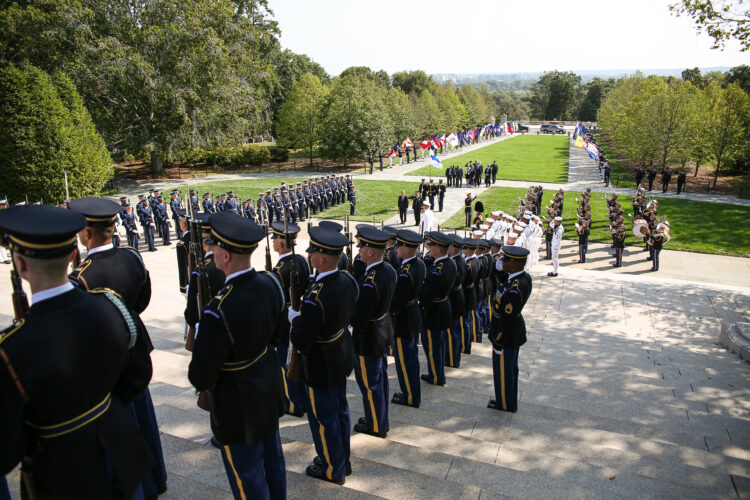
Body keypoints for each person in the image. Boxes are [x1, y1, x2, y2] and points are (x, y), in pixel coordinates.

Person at [0, 205, 153, 499]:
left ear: (20, 265)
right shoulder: (110, 306)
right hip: (120, 453)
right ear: (73, 255)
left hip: (61, 473)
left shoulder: (11, 349)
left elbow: (7, 449)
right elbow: (138, 374)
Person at [68, 197, 168, 498]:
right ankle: (157, 478)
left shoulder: (82, 277)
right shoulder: (132, 256)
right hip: (135, 348)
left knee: (124, 428)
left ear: (86, 233)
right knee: (145, 419)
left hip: (107, 364)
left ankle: (141, 486)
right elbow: (142, 300)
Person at [188, 212, 287, 499]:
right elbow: (280, 335)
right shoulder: (271, 284)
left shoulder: (218, 308)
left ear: (226, 255)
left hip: (236, 402)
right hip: (267, 387)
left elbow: (200, 375)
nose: (212, 251)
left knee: (247, 474)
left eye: (214, 246)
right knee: (272, 460)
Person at [289, 227, 358, 484]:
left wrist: (295, 321)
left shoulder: (315, 296)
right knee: (340, 412)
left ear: (320, 259)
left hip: (320, 364)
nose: (309, 255)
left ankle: (331, 468)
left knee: (323, 419)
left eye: (312, 252)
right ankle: (342, 460)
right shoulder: (347, 281)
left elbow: (301, 340)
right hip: (340, 354)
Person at [350, 226, 397, 438]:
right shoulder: (387, 270)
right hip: (382, 330)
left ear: (370, 252)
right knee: (379, 381)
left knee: (370, 384)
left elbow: (358, 316)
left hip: (367, 337)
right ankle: (378, 417)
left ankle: (376, 425)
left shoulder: (370, 282)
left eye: (361, 248)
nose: (359, 251)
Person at [270, 221, 310, 418]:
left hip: (283, 324)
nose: (273, 243)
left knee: (286, 364)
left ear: (281, 243)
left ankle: (293, 403)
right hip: (298, 318)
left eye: (275, 239)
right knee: (296, 360)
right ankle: (300, 398)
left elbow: (276, 302)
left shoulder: (280, 269)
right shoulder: (301, 260)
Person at [488, 246, 532, 413]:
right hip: (512, 332)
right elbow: (503, 281)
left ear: (514, 264)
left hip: (506, 335)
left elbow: (506, 318)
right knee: (508, 369)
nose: (502, 262)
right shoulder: (520, 278)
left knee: (505, 372)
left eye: (505, 260)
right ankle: (504, 400)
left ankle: (505, 404)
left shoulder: (515, 288)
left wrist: (498, 339)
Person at [390, 229, 425, 408]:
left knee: (405, 361)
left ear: (405, 249)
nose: (396, 249)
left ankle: (410, 396)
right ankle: (411, 392)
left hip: (404, 320)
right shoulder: (417, 264)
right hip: (413, 315)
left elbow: (397, 301)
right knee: (411, 359)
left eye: (398, 246)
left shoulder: (405, 272)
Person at [420, 231, 457, 386]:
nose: (429, 247)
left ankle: (436, 376)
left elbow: (426, 295)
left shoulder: (437, 271)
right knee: (437, 345)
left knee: (432, 347)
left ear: (438, 248)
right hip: (442, 308)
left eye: (431, 244)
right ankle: (436, 372)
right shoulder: (449, 263)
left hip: (433, 312)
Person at [446, 234, 466, 368]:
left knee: (452, 332)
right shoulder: (457, 260)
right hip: (456, 298)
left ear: (453, 248)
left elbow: (452, 283)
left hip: (454, 299)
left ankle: (453, 359)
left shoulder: (456, 263)